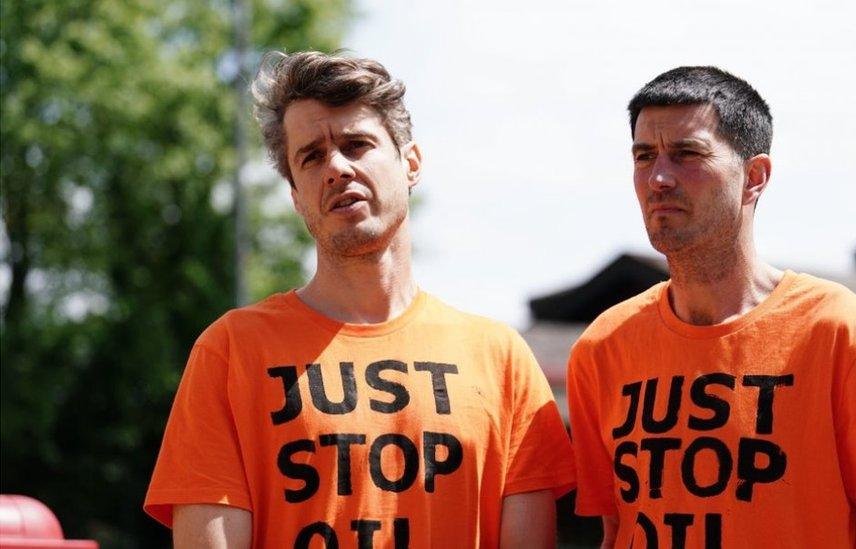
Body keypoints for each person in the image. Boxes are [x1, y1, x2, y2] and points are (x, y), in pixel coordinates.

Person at [144, 51, 575, 548]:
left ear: (410, 163)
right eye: (311, 156)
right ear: (296, 196)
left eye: (357, 144)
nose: (337, 168)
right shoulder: (231, 352)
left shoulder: (502, 359)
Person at [567, 66, 856, 549]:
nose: (659, 177)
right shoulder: (603, 347)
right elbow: (617, 530)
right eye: (644, 156)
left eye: (687, 154)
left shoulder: (842, 334)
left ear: (754, 176)